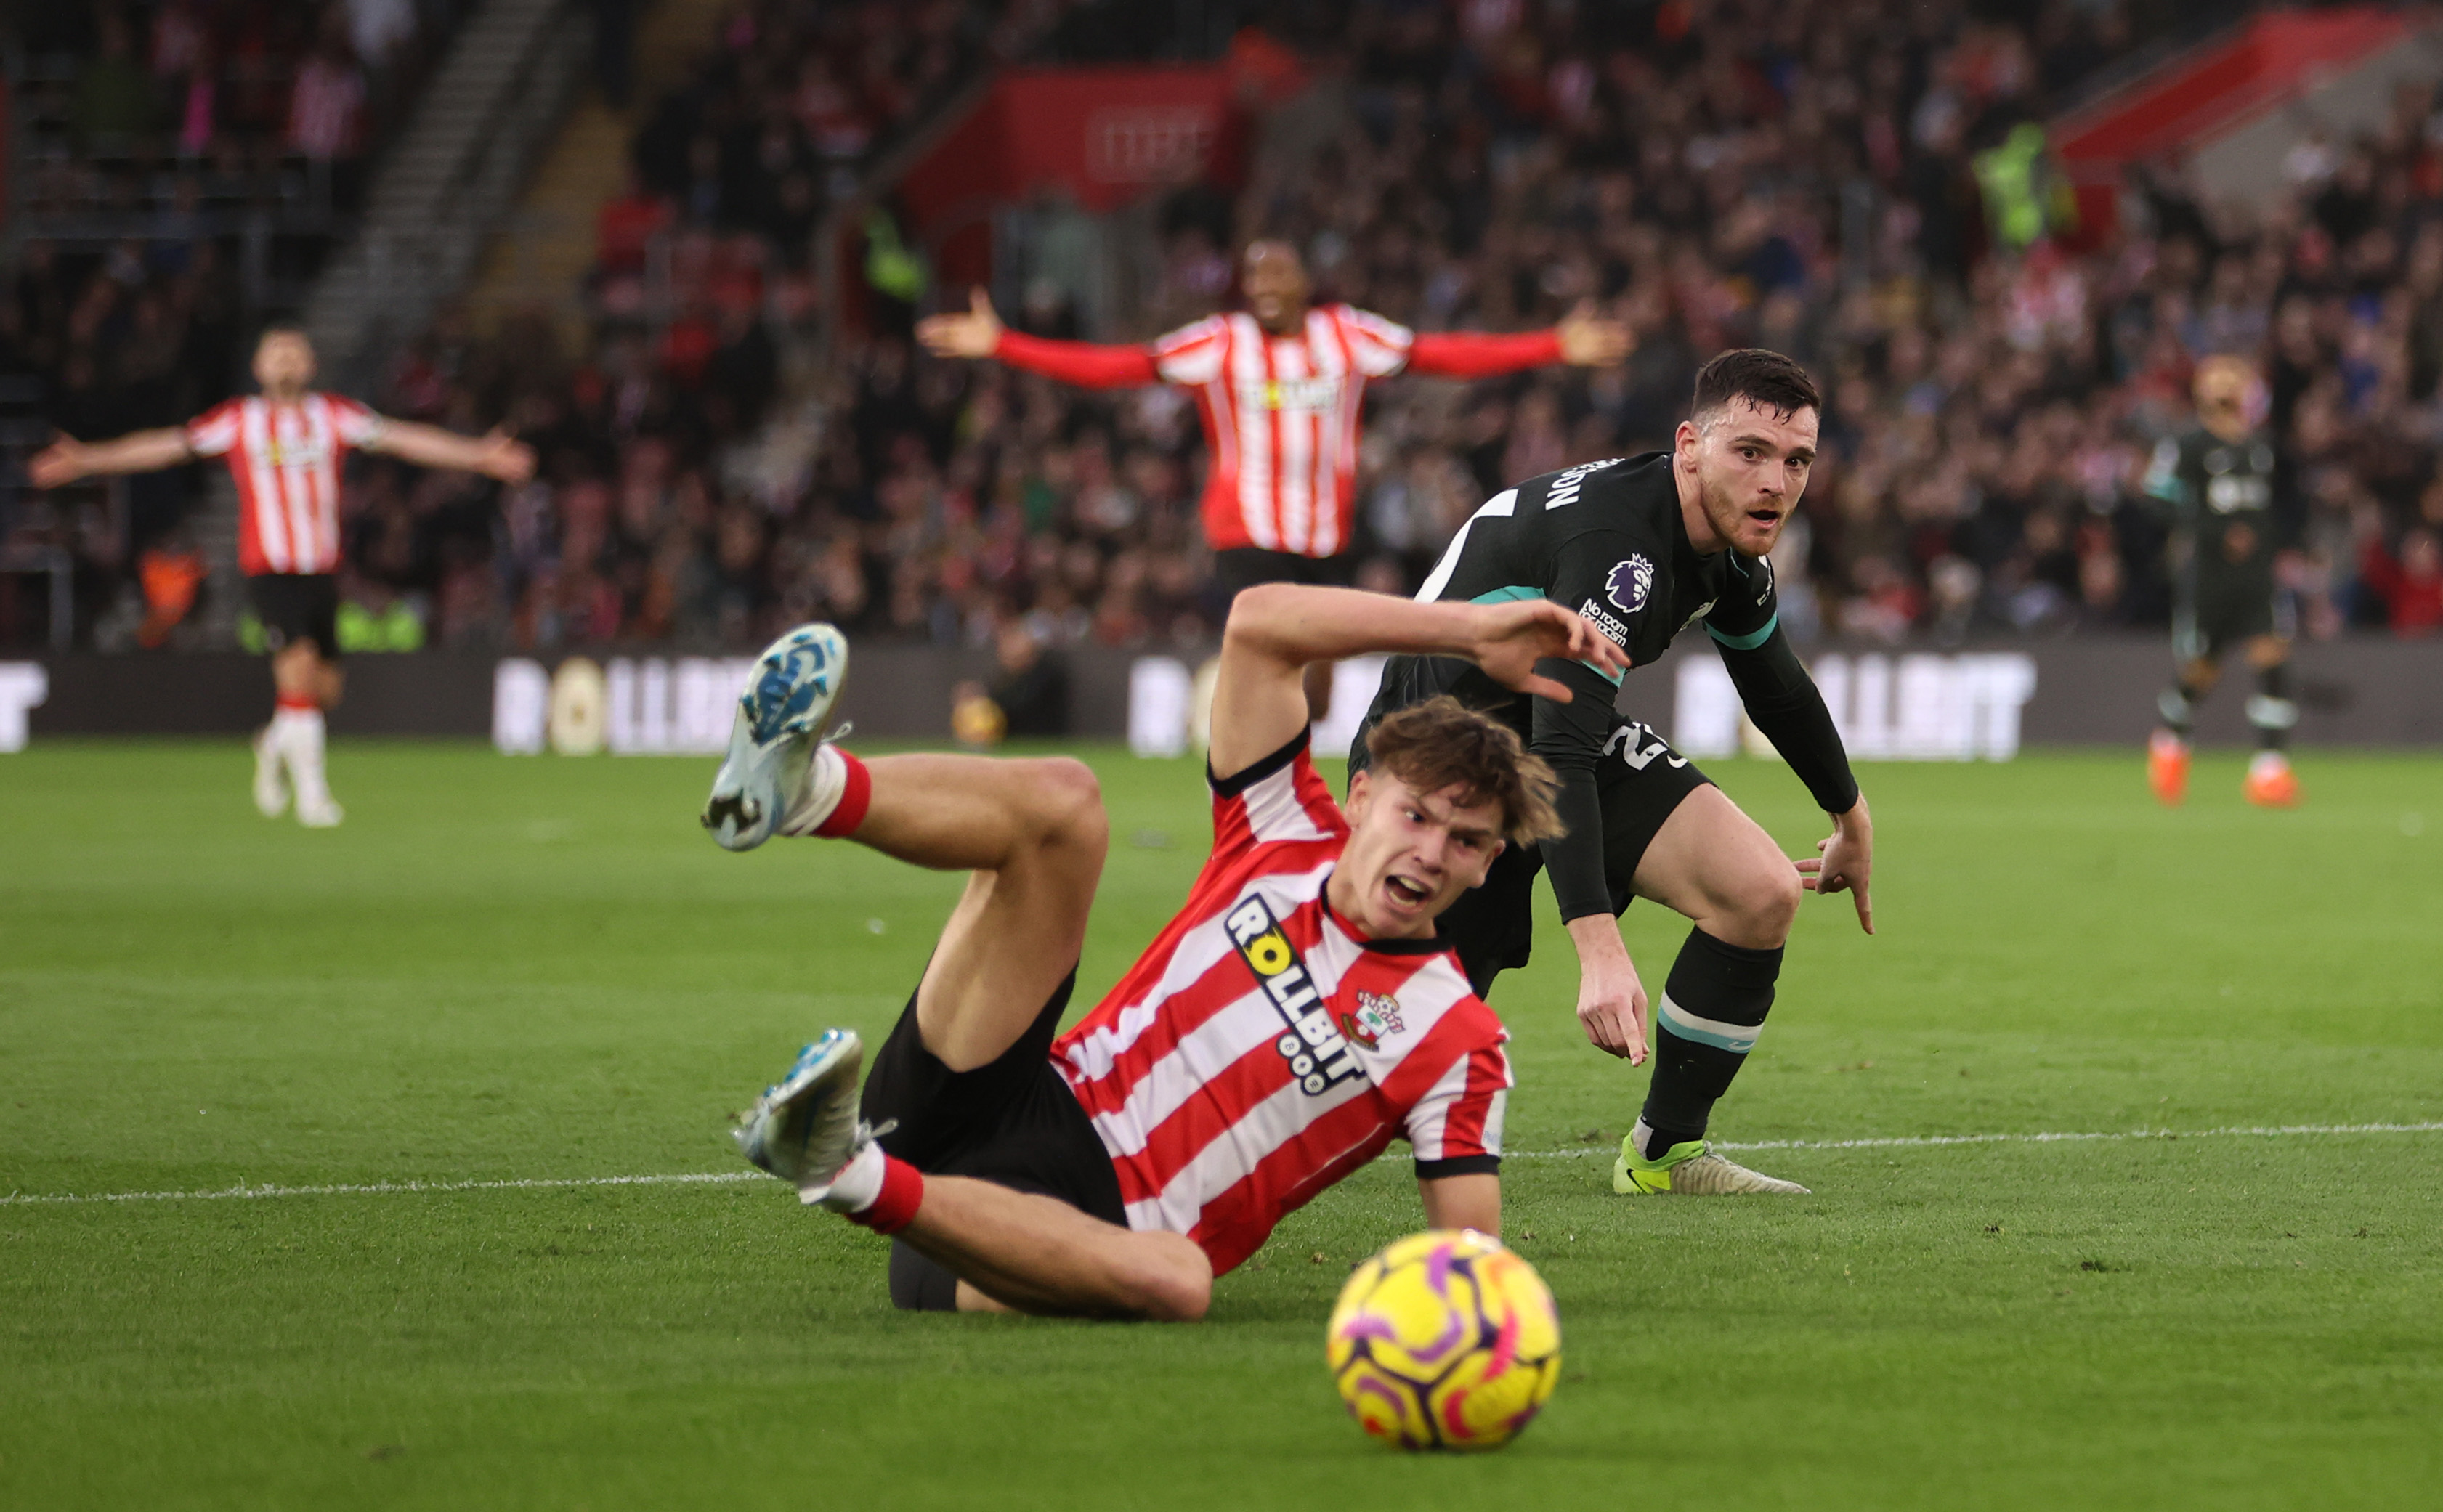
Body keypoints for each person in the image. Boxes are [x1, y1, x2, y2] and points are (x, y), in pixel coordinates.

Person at [695, 582, 1629, 1318]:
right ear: (1362, 796)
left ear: (1490, 865)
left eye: (1466, 841)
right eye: (1415, 814)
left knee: (1180, 1282)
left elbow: (1471, 1263)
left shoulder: (1460, 1042)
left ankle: (836, 1166)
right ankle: (804, 788)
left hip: (1058, 1241)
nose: (1430, 851)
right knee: (1066, 803)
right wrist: (1467, 631)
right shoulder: (1278, 832)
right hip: (996, 1093)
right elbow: (1261, 624)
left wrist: (1466, 1338)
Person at [1352, 349, 1873, 1198]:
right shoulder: (1616, 548)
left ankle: (1664, 1156)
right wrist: (1599, 950)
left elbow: (1773, 682)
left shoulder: (1733, 545)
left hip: (1554, 732)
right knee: (1378, 1055)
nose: (1775, 482)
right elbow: (1555, 754)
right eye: (1750, 452)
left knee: (1760, 891)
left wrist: (1850, 815)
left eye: (1797, 461)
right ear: (1690, 447)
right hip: (1436, 756)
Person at [915, 240, 1634, 718]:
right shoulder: (1217, 343)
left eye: (1276, 273)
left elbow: (1445, 354)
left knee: (1314, 691)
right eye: (1254, 274)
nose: (1264, 285)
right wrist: (1004, 343)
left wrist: (1552, 345)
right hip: (1245, 531)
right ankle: (1246, 791)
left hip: (1326, 536)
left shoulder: (1346, 335)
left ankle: (1289, 738)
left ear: (1301, 283)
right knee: (1266, 658)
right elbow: (1113, 368)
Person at [29, 323, 535, 826]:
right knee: (299, 666)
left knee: (324, 691)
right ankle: (314, 797)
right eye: (277, 353)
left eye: (296, 352)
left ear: (311, 366)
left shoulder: (333, 415)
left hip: (322, 571)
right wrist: (90, 458)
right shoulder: (239, 421)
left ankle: (272, 744)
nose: (287, 360)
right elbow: (165, 446)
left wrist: (477, 455)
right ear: (258, 367)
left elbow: (403, 439)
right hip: (269, 569)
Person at [2142, 355, 2303, 808]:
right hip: (2210, 577)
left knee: (2272, 657)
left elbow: (2276, 508)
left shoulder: (2261, 449)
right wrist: (2207, 529)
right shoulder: (2189, 447)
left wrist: (2283, 542)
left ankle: (2269, 770)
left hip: (2256, 577)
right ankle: (2170, 738)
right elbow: (2156, 496)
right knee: (2203, 671)